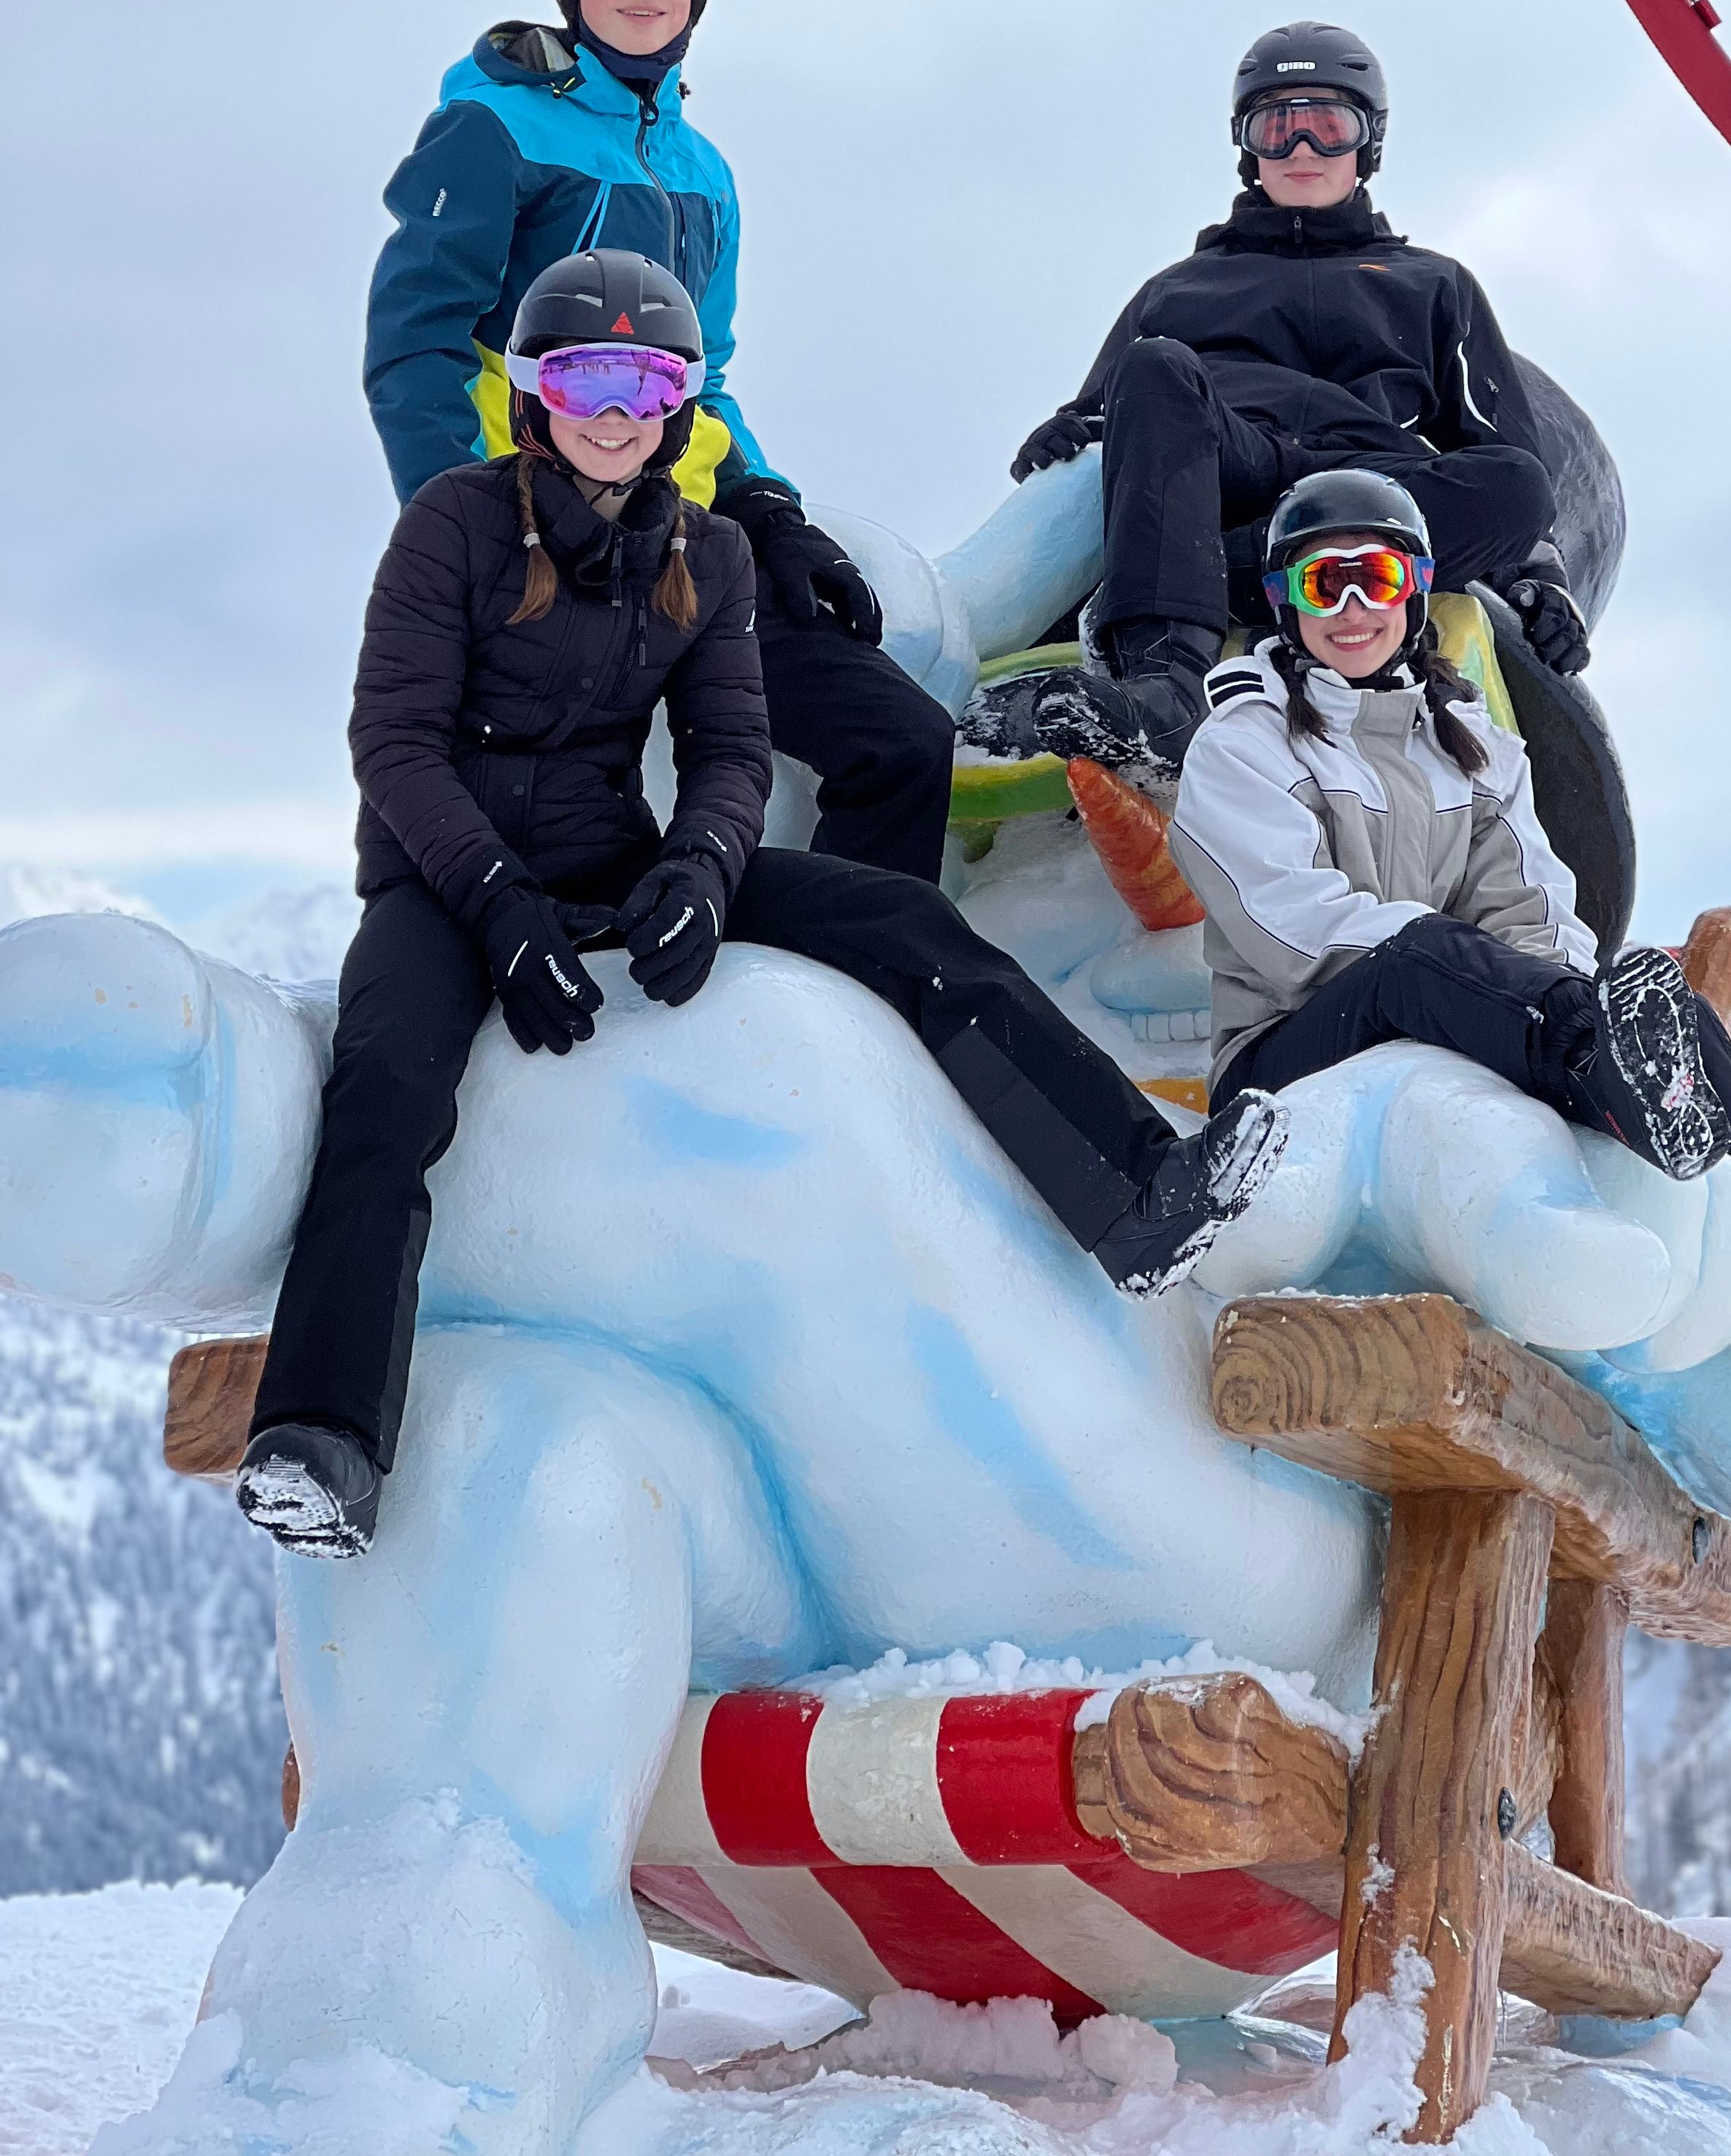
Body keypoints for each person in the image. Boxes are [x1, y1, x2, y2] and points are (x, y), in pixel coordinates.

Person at [238, 252, 1285, 1561]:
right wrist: (498, 905)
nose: (612, 412)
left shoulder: (704, 552)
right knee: (390, 1081)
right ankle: (320, 1437)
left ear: (680, 405)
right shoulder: (453, 524)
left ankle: (1137, 1194)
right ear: (530, 394)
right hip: (447, 885)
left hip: (615, 868)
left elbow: (731, 748)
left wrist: (699, 870)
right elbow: (396, 747)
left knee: (904, 928)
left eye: (646, 382)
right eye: (581, 377)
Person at [1166, 468, 1731, 1464]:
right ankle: (1620, 1084)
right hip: (1290, 1055)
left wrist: (1567, 997)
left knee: (1667, 1008)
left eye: (1374, 577)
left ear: (1415, 588)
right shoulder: (1243, 741)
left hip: (1451, 1005)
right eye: (1327, 587)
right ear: (1289, 607)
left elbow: (1536, 918)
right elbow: (1294, 929)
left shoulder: (1478, 753)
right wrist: (1529, 1005)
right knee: (1427, 955)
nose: (1357, 608)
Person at [361, 0, 952, 883]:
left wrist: (767, 506)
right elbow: (421, 342)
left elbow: (705, 377)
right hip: (536, 534)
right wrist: (460, 524)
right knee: (552, 808)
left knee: (898, 744)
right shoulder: (491, 124)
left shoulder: (703, 172)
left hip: (678, 543)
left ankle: (837, 1012)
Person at [968, 20, 1587, 778]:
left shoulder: (1431, 282)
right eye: (1278, 127)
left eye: (1328, 127)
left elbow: (1496, 441)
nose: (1301, 151)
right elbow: (1111, 412)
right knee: (1156, 364)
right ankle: (1164, 685)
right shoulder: (1180, 287)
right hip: (1233, 459)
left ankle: (1209, 572)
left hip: (1369, 489)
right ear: (1247, 144)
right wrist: (1060, 435)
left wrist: (1540, 575)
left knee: (1517, 483)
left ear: (1367, 145)